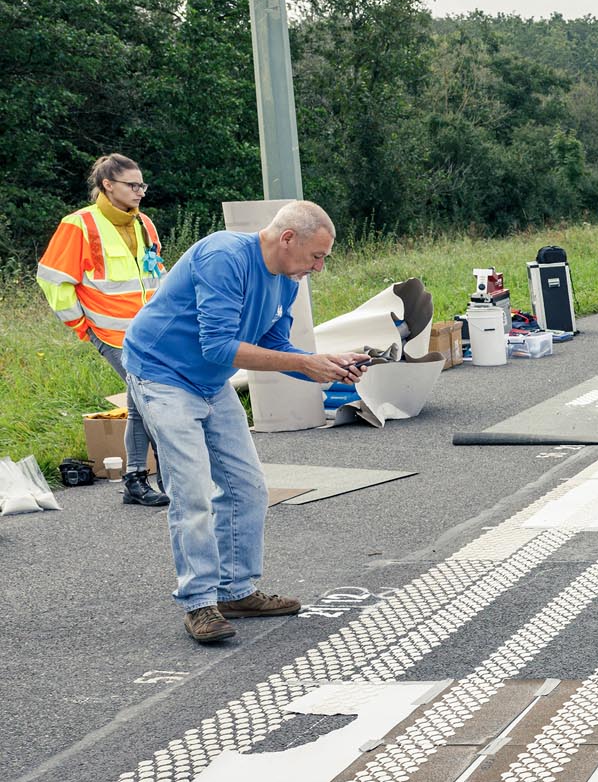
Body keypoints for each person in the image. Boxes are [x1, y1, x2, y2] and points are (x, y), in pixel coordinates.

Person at [122, 201, 371, 645]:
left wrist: (326, 365)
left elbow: (273, 342)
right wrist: (306, 363)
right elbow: (219, 345)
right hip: (161, 373)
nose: (318, 267)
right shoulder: (224, 257)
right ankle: (198, 602)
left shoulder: (286, 281)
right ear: (287, 238)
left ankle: (235, 591)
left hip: (208, 381)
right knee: (192, 489)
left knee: (246, 486)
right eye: (316, 256)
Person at [36, 154, 171, 506]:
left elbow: (156, 274)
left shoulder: (144, 223)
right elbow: (53, 280)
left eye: (142, 184)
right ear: (107, 185)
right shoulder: (79, 224)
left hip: (150, 334)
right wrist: (82, 325)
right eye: (132, 185)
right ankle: (150, 478)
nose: (140, 191)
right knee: (149, 400)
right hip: (110, 333)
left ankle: (140, 481)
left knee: (143, 401)